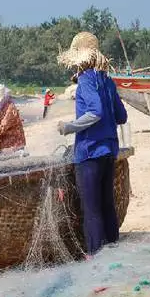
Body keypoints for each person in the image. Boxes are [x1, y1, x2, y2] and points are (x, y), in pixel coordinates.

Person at [56, 32, 128, 256]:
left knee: (92, 209)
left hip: (89, 153)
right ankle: (113, 249)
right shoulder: (107, 81)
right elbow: (121, 116)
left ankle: (95, 255)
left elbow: (95, 112)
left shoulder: (86, 79)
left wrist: (70, 127)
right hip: (109, 152)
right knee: (107, 204)